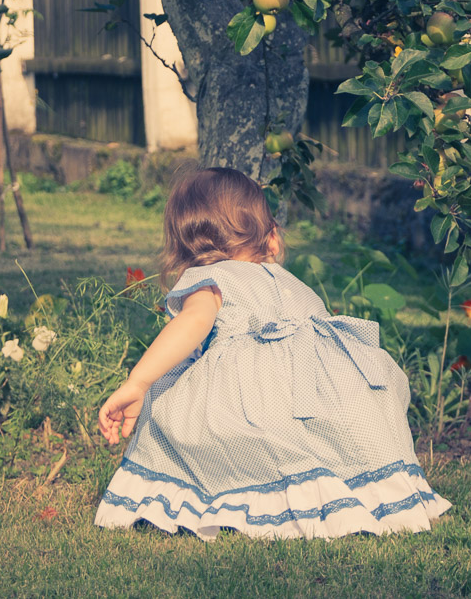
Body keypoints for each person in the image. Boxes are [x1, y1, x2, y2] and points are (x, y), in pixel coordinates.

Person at [94, 166, 451, 540]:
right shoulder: (289, 281)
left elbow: (191, 324)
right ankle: (374, 493)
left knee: (185, 413)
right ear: (273, 239)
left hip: (259, 389)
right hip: (327, 379)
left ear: (185, 245)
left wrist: (139, 381)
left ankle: (242, 496)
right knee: (333, 436)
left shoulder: (211, 279)